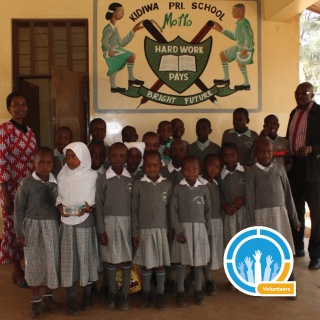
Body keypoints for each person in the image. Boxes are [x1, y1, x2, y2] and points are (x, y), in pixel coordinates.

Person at [246, 137, 300, 294]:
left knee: (284, 247)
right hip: (260, 215)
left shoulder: (280, 169)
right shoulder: (252, 172)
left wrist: (294, 218)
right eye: (262, 152)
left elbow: (288, 194)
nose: (266, 155)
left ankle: (290, 278)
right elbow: (250, 199)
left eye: (269, 152)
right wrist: (250, 223)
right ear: (255, 153)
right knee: (263, 248)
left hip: (279, 214)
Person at [14, 147, 60, 319]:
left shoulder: (56, 184)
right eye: (41, 162)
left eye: (49, 163)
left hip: (51, 227)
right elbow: (19, 209)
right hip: (32, 227)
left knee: (51, 261)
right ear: (34, 163)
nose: (45, 166)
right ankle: (35, 300)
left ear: (53, 164)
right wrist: (19, 232)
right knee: (34, 262)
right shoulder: (26, 183)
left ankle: (49, 297)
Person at [0, 92, 37, 288]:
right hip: (11, 188)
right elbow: (1, 161)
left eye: (23, 104)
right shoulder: (4, 130)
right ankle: (16, 269)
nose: (20, 108)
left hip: (28, 188)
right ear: (9, 108)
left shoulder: (30, 131)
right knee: (13, 228)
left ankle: (28, 266)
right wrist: (5, 191)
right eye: (15, 105)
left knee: (27, 226)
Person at [57, 142, 99, 315]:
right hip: (67, 223)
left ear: (83, 157)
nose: (70, 160)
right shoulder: (62, 175)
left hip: (85, 222)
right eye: (68, 156)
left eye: (74, 157)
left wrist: (90, 208)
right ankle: (71, 298)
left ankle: (87, 296)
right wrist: (60, 206)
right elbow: (59, 196)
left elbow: (96, 199)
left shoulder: (92, 176)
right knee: (69, 261)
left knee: (85, 259)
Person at [132, 150, 172, 310]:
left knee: (160, 264)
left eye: (155, 165)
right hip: (145, 231)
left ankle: (160, 295)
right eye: (148, 165)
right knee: (147, 265)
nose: (152, 168)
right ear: (144, 166)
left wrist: (170, 229)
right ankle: (147, 293)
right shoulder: (138, 185)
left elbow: (170, 210)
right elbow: (134, 210)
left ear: (161, 165)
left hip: (162, 230)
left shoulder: (167, 184)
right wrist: (135, 232)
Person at [286, 82, 320, 270]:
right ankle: (298, 246)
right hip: (294, 167)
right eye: (297, 93)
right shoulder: (294, 112)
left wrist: (311, 149)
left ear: (312, 94)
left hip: (313, 168)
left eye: (304, 93)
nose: (300, 96)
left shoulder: (318, 112)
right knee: (295, 209)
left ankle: (316, 254)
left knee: (316, 212)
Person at [170, 155, 211, 307]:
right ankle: (180, 291)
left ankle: (198, 290)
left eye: (194, 169)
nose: (191, 172)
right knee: (181, 262)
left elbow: (208, 211)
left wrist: (206, 231)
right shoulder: (178, 188)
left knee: (198, 263)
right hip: (183, 231)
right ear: (181, 171)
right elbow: (173, 212)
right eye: (186, 169)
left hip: (200, 231)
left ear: (199, 170)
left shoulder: (203, 188)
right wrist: (179, 230)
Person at [218, 142, 247, 292]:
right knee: (231, 245)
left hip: (244, 214)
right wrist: (224, 205)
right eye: (225, 155)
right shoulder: (219, 175)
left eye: (232, 155)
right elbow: (218, 195)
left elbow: (252, 190)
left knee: (245, 245)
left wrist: (244, 199)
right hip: (228, 215)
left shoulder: (246, 172)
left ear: (238, 156)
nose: (229, 158)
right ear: (222, 158)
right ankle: (233, 279)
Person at [101, 2, 144, 93]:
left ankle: (130, 79)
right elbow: (104, 42)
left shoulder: (115, 28)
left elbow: (121, 43)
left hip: (116, 50)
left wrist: (134, 30)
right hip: (109, 52)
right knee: (116, 63)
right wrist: (110, 49)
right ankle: (114, 86)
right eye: (121, 11)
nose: (123, 14)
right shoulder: (108, 28)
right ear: (114, 13)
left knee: (131, 56)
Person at [213, 3, 254, 91]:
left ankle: (246, 84)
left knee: (240, 63)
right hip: (239, 46)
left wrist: (246, 48)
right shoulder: (239, 23)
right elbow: (235, 37)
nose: (232, 13)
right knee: (223, 55)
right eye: (232, 11)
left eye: (234, 11)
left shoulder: (244, 24)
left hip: (246, 48)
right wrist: (222, 30)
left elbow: (249, 37)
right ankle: (226, 79)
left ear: (241, 11)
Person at [198, 153, 223, 296]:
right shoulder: (200, 184)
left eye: (218, 167)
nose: (214, 169)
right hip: (205, 223)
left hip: (217, 221)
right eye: (211, 165)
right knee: (204, 251)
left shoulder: (216, 183)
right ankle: (208, 280)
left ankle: (195, 276)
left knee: (213, 251)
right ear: (203, 166)